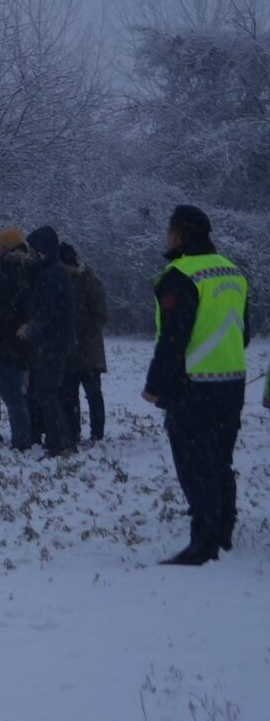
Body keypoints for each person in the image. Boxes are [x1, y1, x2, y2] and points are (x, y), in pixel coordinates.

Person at [142, 204, 251, 566]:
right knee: (219, 460)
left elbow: (173, 337)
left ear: (179, 233)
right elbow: (244, 331)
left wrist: (155, 384)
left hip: (194, 386)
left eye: (169, 229)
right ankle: (222, 530)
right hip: (233, 381)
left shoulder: (180, 275)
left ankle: (202, 544)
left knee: (193, 466)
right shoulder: (233, 273)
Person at [18, 226, 78, 455]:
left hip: (54, 343)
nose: (29, 254)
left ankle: (58, 442)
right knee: (48, 393)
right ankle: (61, 440)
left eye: (32, 250)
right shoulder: (50, 272)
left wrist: (29, 329)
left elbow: (48, 311)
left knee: (46, 393)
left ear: (42, 251)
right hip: (53, 342)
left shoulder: (53, 275)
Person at [0, 227, 35, 447]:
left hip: (9, 344)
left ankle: (21, 440)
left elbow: (5, 311)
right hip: (17, 343)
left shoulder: (11, 271)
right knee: (20, 395)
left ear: (8, 247)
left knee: (13, 395)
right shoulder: (24, 268)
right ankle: (26, 436)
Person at [62, 243, 109, 445]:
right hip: (71, 350)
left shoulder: (90, 283)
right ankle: (73, 433)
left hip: (89, 352)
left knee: (92, 394)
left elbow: (101, 316)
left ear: (70, 263)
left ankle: (97, 434)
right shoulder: (64, 283)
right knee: (70, 395)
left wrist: (81, 334)